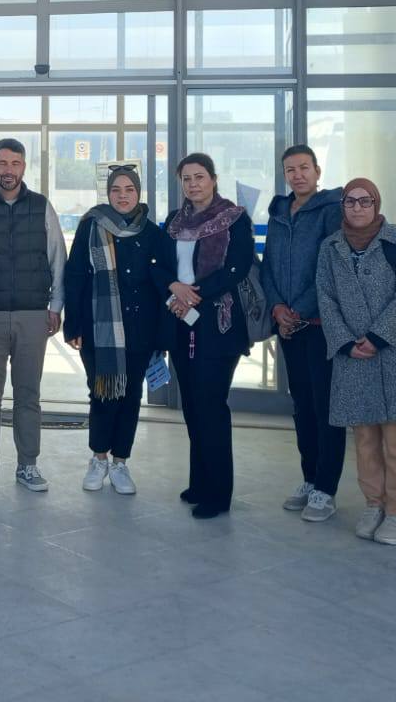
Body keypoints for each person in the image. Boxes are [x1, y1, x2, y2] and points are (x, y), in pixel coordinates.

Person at [317, 178, 396, 546]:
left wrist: (378, 337)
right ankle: (374, 503)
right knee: (365, 440)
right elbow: (325, 297)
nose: (357, 208)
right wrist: (345, 341)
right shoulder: (330, 247)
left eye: (365, 201)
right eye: (350, 201)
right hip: (353, 356)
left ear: (377, 203)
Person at [0, 138, 67, 494]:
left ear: (24, 167)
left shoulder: (41, 206)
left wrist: (56, 307)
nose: (9, 170)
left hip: (32, 314)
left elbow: (57, 257)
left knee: (28, 395)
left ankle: (28, 465)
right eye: (2, 163)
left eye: (15, 163)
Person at [64, 165, 170, 495]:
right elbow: (75, 275)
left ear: (138, 193)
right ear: (107, 193)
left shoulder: (152, 233)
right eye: (116, 190)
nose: (122, 196)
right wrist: (73, 324)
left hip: (140, 329)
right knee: (102, 393)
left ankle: (121, 462)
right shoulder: (91, 225)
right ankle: (99, 459)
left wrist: (161, 335)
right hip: (98, 329)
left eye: (129, 189)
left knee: (131, 395)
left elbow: (162, 285)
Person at [164, 153, 255, 519]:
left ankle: (219, 494)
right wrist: (175, 291)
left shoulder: (233, 218)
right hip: (180, 320)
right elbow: (163, 265)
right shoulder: (174, 221)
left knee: (211, 406)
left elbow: (238, 267)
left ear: (213, 179)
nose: (193, 184)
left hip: (218, 323)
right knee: (191, 405)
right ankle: (200, 483)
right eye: (186, 178)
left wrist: (194, 295)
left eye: (199, 177)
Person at [261, 144, 345, 523]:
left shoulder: (332, 210)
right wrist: (278, 307)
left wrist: (300, 311)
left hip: (320, 326)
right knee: (302, 407)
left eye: (304, 168)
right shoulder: (279, 213)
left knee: (325, 407)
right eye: (290, 170)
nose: (297, 175)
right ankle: (310, 478)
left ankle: (326, 488)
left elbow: (330, 267)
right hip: (288, 327)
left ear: (317, 171)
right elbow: (268, 267)